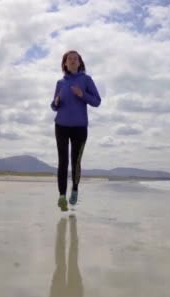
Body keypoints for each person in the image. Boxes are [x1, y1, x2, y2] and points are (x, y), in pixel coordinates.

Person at [50, 50, 101, 211]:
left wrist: (82, 94)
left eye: (75, 59)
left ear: (80, 62)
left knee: (75, 162)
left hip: (79, 127)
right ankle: (61, 196)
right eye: (69, 59)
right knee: (62, 162)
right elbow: (53, 106)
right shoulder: (60, 82)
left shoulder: (86, 80)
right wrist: (56, 101)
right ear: (65, 63)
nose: (72, 61)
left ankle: (75, 190)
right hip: (61, 126)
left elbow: (97, 101)